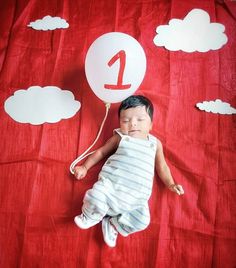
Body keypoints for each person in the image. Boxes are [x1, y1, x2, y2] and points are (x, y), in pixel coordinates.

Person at [73, 95, 184, 247]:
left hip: (136, 198)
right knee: (95, 196)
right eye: (125, 120)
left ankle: (113, 224)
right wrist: (85, 167)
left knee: (142, 221)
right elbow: (101, 152)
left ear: (151, 124)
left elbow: (162, 166)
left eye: (140, 120)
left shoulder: (155, 144)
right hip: (111, 187)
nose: (132, 124)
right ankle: (90, 216)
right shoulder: (121, 138)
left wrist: (171, 184)